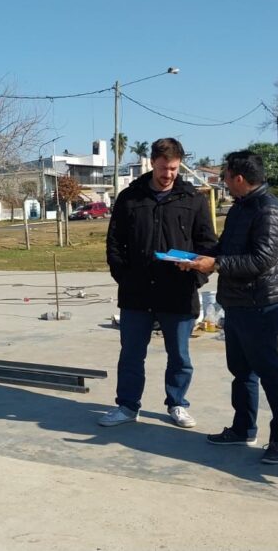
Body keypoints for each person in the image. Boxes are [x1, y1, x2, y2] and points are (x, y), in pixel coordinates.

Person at [179, 150, 278, 464]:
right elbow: (226, 248)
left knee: (271, 375)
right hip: (237, 304)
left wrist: (215, 263)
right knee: (241, 372)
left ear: (238, 178)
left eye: (226, 177)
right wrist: (196, 259)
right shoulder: (241, 207)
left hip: (261, 306)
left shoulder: (268, 210)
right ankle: (243, 428)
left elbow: (261, 260)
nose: (224, 183)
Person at [100, 137, 218, 429]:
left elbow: (209, 247)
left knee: (179, 355)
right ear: (152, 163)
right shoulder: (130, 197)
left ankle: (177, 403)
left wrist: (196, 277)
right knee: (130, 355)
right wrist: (124, 278)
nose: (168, 175)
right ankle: (127, 406)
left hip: (178, 293)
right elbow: (114, 243)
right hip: (136, 293)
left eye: (174, 169)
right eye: (164, 168)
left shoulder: (193, 200)